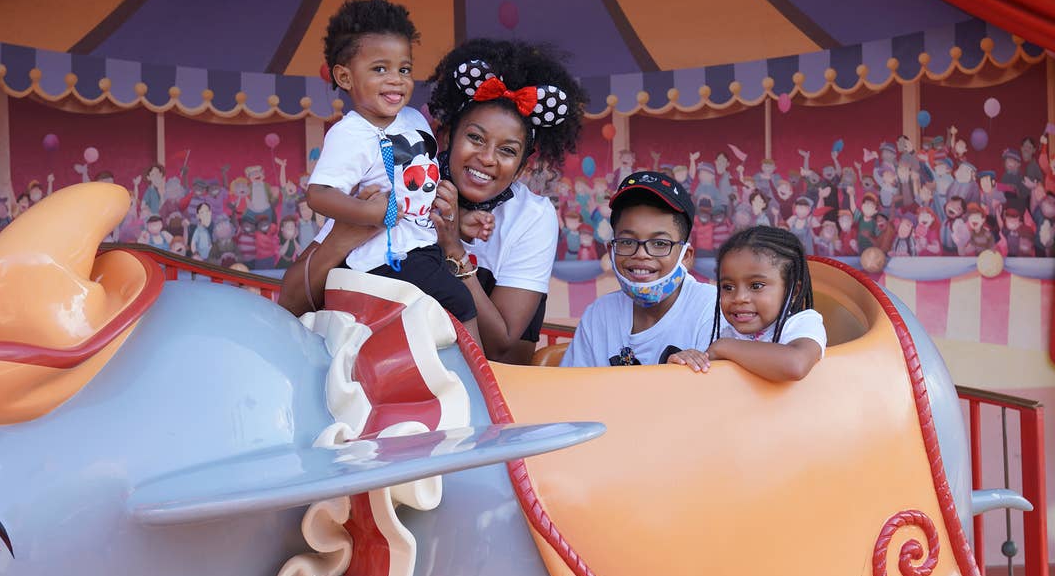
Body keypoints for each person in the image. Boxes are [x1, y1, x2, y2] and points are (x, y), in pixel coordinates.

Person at [285, 36, 585, 363]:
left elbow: (502, 348)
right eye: (475, 137)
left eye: (507, 150)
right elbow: (290, 303)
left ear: (523, 166)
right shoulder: (399, 183)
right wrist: (343, 238)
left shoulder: (531, 216)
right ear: (445, 136)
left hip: (488, 394)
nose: (487, 158)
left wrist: (453, 250)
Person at [303, 0, 480, 338]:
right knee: (461, 302)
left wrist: (459, 214)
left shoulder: (413, 119)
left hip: (422, 246)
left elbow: (418, 184)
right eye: (380, 69)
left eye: (404, 69)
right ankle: (486, 381)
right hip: (386, 257)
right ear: (345, 76)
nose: (397, 80)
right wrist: (368, 212)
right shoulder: (350, 133)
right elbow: (318, 194)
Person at [559, 171, 717, 367]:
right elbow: (576, 389)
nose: (642, 254)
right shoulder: (600, 314)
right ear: (611, 251)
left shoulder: (712, 310)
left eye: (660, 243)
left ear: (686, 256)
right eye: (626, 241)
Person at [669, 226, 826, 382]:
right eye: (728, 287)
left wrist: (724, 347)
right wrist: (687, 361)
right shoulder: (723, 331)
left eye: (756, 286)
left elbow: (795, 365)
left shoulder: (803, 323)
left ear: (793, 291)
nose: (739, 298)